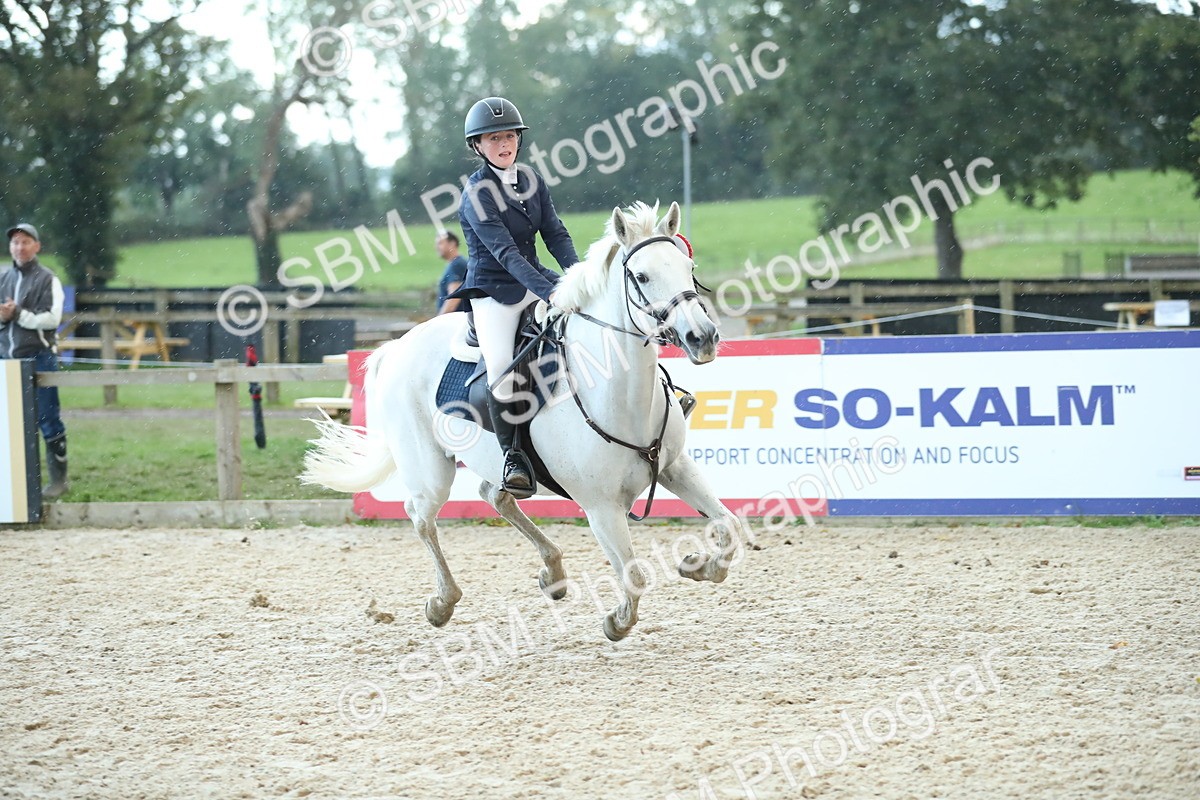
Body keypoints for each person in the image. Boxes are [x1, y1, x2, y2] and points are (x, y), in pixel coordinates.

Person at [451, 96, 580, 498]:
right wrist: (552, 293)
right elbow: (505, 254)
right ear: (477, 146)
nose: (504, 144)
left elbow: (555, 233)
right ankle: (512, 458)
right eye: (493, 139)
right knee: (502, 369)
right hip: (494, 291)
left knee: (585, 325)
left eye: (509, 136)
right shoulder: (476, 194)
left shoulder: (532, 180)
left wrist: (578, 280)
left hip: (533, 277)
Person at [0, 223, 69, 499]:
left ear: (37, 246)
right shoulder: (3, 278)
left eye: (25, 242)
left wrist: (18, 314)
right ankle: (14, 483)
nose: (20, 247)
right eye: (15, 242)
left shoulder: (48, 279)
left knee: (47, 419)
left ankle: (58, 481)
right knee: (9, 422)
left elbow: (52, 319)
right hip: (6, 358)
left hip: (39, 357)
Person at [434, 230, 470, 315]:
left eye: (440, 243)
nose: (437, 247)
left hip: (455, 319)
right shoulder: (457, 263)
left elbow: (454, 298)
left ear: (452, 244)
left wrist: (439, 320)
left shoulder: (456, 265)